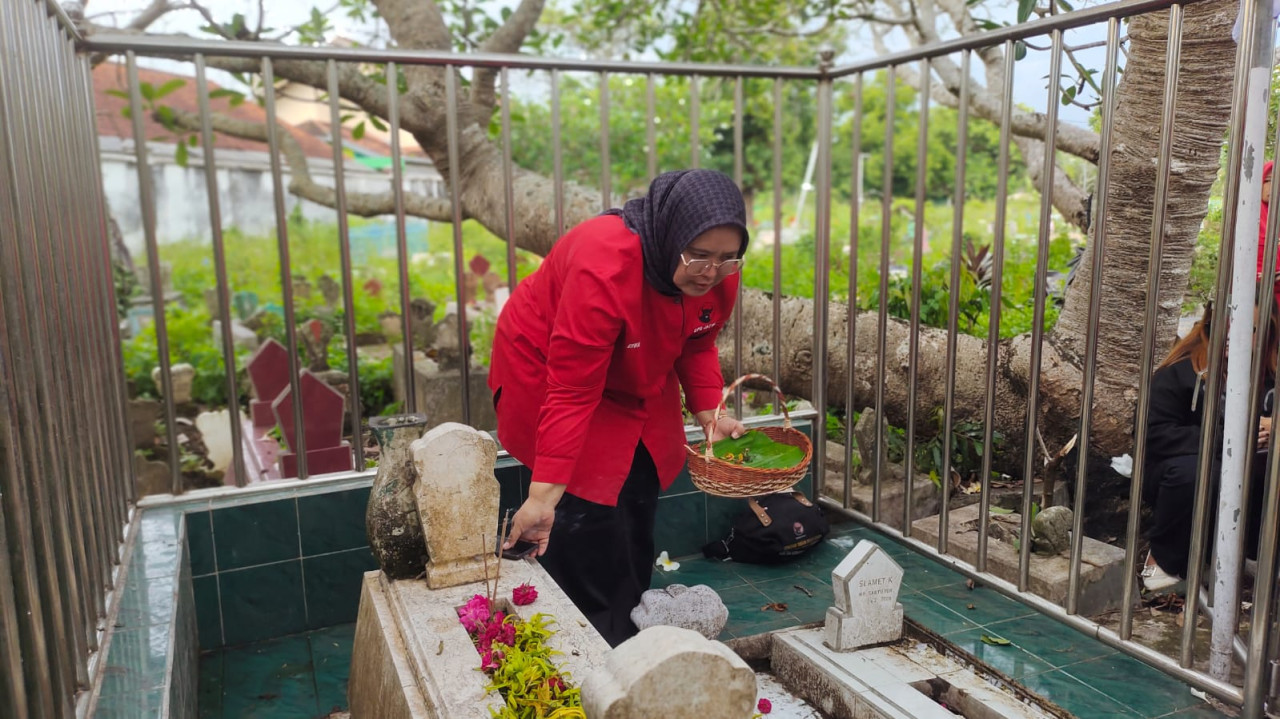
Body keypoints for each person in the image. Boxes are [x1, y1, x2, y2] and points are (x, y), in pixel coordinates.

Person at [488, 169, 749, 645]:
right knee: (583, 502)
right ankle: (581, 639)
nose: (710, 272)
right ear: (670, 235)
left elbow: (697, 342)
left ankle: (629, 622)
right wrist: (542, 500)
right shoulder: (603, 267)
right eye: (699, 255)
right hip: (550, 364)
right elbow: (572, 392)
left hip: (634, 361)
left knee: (640, 479)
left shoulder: (716, 274)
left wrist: (710, 412)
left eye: (726, 259)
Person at [1141, 299, 1279, 592]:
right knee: (1201, 472)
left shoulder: (1269, 373)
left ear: (1267, 334)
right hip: (1184, 473)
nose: (1232, 334)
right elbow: (1154, 435)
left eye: (1248, 328)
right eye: (1225, 325)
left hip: (1254, 479)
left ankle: (1255, 554)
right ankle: (1163, 560)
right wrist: (1228, 441)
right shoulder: (1181, 372)